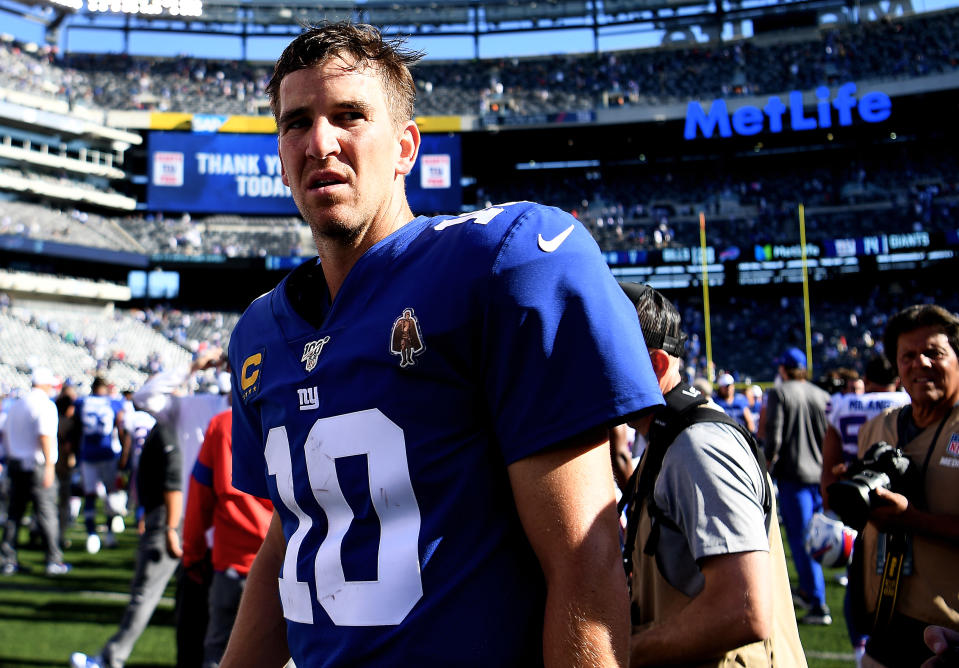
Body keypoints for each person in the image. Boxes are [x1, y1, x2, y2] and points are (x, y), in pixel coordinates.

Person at [223, 22, 663, 667]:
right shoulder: (260, 331)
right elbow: (291, 537)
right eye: (296, 122)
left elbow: (582, 554)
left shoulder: (500, 263)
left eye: (349, 115)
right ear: (281, 155)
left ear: (406, 148)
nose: (320, 142)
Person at [619, 283, 806, 667]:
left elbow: (744, 608)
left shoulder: (698, 446)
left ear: (654, 365)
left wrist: (624, 653)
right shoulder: (667, 438)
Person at [843, 304, 959, 667]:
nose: (920, 363)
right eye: (908, 355)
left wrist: (909, 518)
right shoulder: (877, 428)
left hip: (949, 632)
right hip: (886, 622)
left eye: (934, 352)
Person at [70, 421, 184, 668]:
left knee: (145, 593)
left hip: (168, 519)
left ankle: (112, 658)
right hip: (165, 515)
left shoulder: (169, 428)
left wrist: (170, 526)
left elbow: (174, 481)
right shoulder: (169, 426)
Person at [820, 354, 910, 665]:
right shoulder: (908, 399)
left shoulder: (843, 404)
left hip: (854, 502)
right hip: (900, 504)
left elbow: (829, 463)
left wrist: (831, 509)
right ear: (896, 379)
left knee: (858, 579)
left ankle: (862, 647)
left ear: (866, 381)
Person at [181, 408, 273, 667]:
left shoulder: (222, 424)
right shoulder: (292, 410)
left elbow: (199, 498)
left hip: (233, 564)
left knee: (220, 653)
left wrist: (193, 554)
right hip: (285, 566)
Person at [763, 346, 832, 625]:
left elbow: (774, 437)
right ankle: (808, 591)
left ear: (783, 369)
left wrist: (766, 465)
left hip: (795, 477)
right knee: (817, 537)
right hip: (819, 476)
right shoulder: (821, 394)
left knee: (803, 541)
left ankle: (818, 603)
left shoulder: (779, 393)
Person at [0, 368, 68, 575]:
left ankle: (7, 559)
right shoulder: (44, 405)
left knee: (14, 514)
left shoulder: (18, 404)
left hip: (16, 463)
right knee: (47, 513)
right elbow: (45, 435)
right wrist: (49, 467)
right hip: (37, 465)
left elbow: (4, 434)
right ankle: (53, 560)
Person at [72, 376, 126, 554]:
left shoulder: (82, 402)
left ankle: (91, 534)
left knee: (89, 495)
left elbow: (76, 425)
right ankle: (109, 533)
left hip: (88, 454)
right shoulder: (113, 403)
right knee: (110, 495)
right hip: (107, 453)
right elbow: (121, 426)